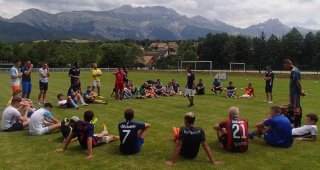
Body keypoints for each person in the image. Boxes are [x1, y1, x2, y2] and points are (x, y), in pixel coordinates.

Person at [283, 59, 306, 127]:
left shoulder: (294, 71)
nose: (286, 68)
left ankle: (297, 125)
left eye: (286, 66)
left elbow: (298, 82)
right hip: (294, 92)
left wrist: (301, 91)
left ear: (288, 63)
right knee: (296, 107)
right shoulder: (296, 70)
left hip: (295, 94)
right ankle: (297, 124)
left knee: (296, 108)